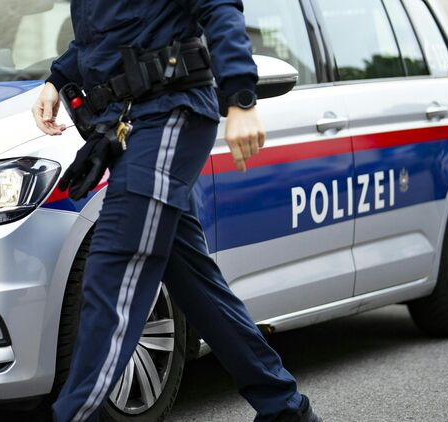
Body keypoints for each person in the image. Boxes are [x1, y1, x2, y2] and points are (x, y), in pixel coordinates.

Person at [32, 1, 322, 421]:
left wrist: (241, 98)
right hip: (130, 123)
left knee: (114, 270)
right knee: (192, 280)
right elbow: (108, 29)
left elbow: (220, 8)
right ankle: (284, 408)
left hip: (170, 113)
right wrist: (57, 79)